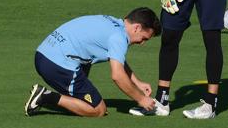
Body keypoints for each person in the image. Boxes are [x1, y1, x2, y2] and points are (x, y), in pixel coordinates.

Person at [24, 7, 161, 118]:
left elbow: (118, 59)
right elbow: (117, 76)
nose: (142, 43)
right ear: (136, 27)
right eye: (144, 38)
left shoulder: (112, 22)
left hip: (43, 53)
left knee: (86, 64)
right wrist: (141, 99)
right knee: (98, 110)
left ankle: (74, 100)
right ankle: (46, 96)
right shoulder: (119, 38)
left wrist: (137, 83)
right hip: (57, 64)